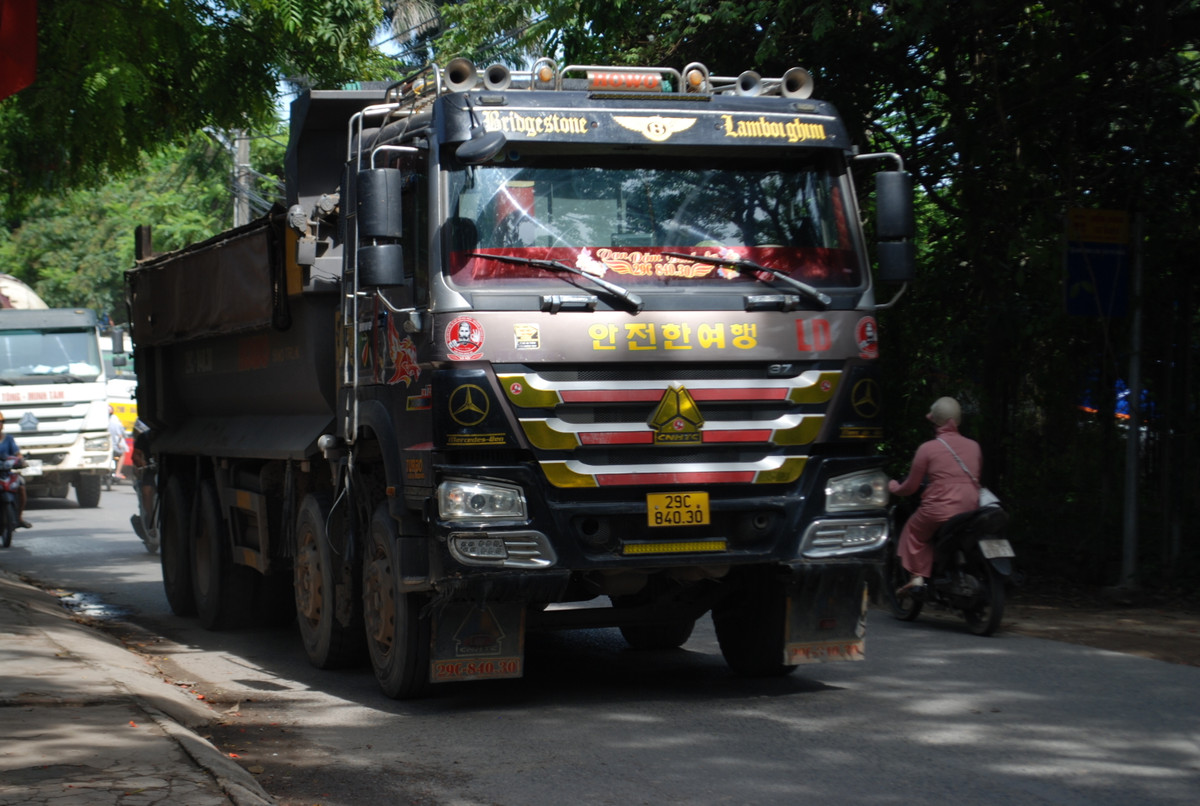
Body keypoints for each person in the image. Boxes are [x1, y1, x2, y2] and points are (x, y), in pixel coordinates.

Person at [888, 396, 983, 595]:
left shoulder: (928, 449)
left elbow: (911, 487)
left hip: (939, 509)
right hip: (972, 508)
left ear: (935, 420)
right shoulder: (974, 446)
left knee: (913, 531)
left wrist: (894, 487)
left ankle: (917, 577)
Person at [0, 414, 32, 529]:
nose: (0, 424)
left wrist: (21, 461)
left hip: (7, 473)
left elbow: (17, 454)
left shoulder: (9, 439)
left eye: (1, 422)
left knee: (21, 486)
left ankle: (19, 517)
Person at [108, 406, 127, 481]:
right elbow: (121, 435)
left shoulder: (101, 421)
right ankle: (117, 472)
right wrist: (119, 443)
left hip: (104, 447)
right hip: (115, 447)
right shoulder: (116, 422)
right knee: (122, 454)